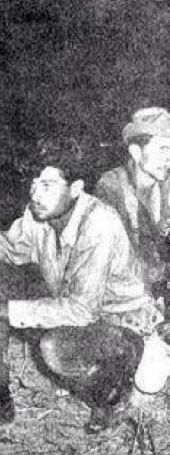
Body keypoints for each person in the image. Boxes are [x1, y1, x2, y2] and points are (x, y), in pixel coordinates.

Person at [0, 145, 163, 442]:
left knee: (55, 348)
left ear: (75, 188)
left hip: (119, 323)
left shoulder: (100, 223)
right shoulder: (41, 213)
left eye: (47, 185)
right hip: (70, 305)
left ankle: (112, 395)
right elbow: (10, 246)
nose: (35, 194)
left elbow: (82, 310)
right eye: (33, 184)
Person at [95, 107, 170, 314]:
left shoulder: (167, 185)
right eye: (163, 149)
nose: (169, 158)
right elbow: (116, 261)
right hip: (129, 295)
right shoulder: (112, 187)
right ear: (136, 152)